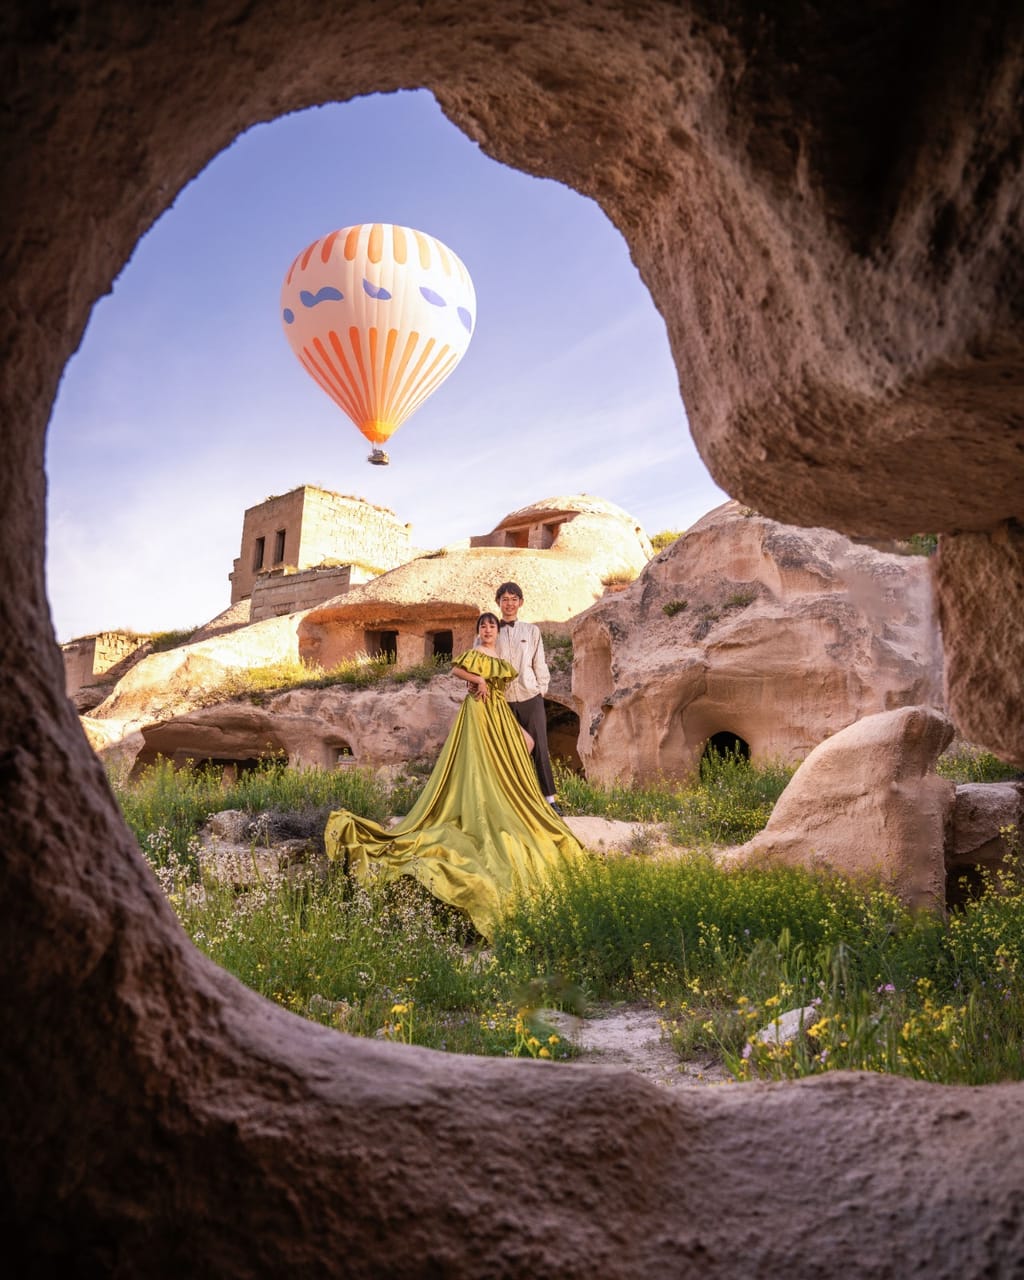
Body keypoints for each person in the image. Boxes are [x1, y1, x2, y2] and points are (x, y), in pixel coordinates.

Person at [323, 612, 582, 939]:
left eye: (492, 625)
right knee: (479, 762)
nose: (488, 629)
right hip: (478, 713)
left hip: (499, 712)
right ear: (479, 631)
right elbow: (455, 669)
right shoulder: (476, 653)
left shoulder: (500, 655)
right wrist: (478, 681)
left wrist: (516, 721)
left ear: (497, 630)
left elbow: (502, 692)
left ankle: (514, 801)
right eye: (483, 626)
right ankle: (481, 808)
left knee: (520, 748)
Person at [490, 581, 562, 814]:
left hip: (530, 696)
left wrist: (541, 690)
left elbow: (538, 662)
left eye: (513, 599)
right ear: (498, 603)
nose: (509, 603)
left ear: (520, 602)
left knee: (540, 746)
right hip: (503, 700)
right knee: (507, 748)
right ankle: (512, 801)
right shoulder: (491, 630)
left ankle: (550, 800)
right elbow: (480, 660)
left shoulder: (531, 631)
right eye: (504, 599)